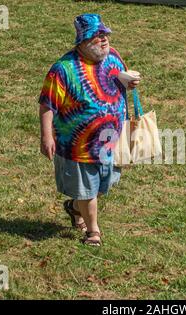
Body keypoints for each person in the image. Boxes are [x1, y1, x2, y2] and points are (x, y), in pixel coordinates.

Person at [38, 13, 140, 246]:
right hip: (77, 146)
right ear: (83, 41)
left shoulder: (113, 57)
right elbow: (47, 104)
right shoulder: (63, 69)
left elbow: (120, 78)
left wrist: (129, 82)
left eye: (105, 34)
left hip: (111, 141)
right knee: (88, 192)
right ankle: (93, 231)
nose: (104, 40)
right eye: (97, 36)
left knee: (104, 186)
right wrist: (46, 136)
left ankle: (74, 208)